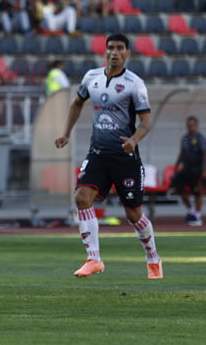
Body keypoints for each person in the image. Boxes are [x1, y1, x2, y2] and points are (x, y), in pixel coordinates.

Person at [55, 34, 163, 280]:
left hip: (125, 158)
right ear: (105, 51)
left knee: (133, 214)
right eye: (111, 47)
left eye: (120, 48)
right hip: (98, 153)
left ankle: (153, 257)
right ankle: (94, 259)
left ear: (127, 53)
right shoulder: (91, 77)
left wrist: (133, 140)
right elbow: (76, 103)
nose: (115, 52)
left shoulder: (135, 84)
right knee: (82, 197)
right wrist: (66, 133)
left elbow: (146, 122)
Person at [172, 116, 206, 226]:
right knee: (179, 187)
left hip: (197, 170)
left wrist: (204, 171)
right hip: (186, 169)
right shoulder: (185, 138)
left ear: (196, 126)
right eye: (188, 125)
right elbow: (182, 153)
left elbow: (204, 154)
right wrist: (177, 166)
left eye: (192, 125)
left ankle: (197, 215)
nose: (190, 127)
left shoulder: (200, 138)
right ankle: (191, 210)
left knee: (197, 192)